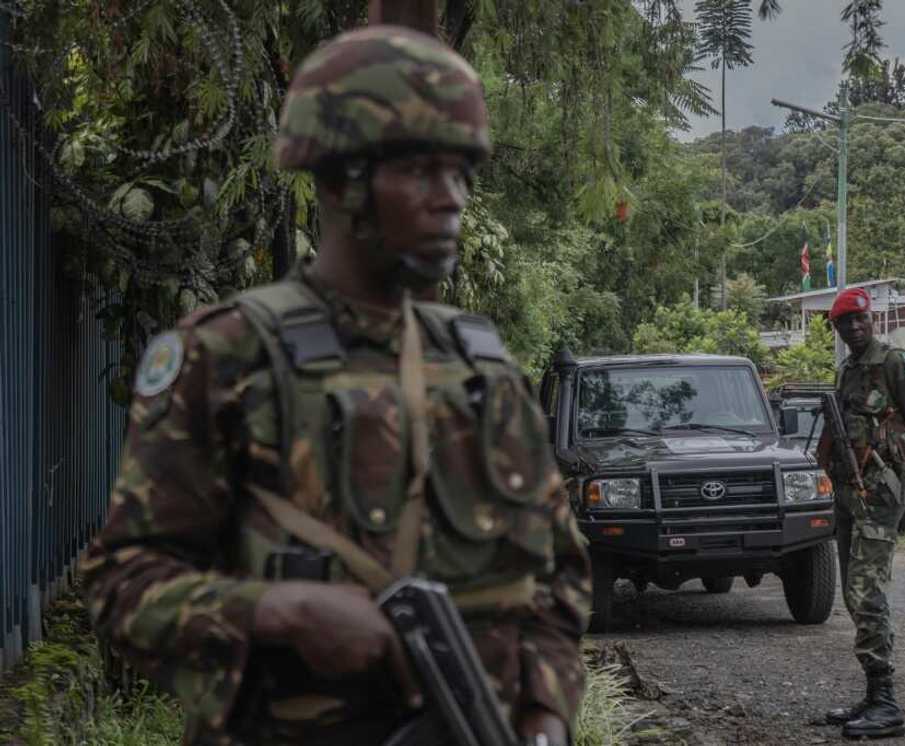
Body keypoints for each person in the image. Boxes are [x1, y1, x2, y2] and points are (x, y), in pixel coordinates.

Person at [82, 25, 590, 746]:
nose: (453, 201)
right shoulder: (224, 355)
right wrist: (277, 610)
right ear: (340, 178)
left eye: (462, 174)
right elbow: (120, 587)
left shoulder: (483, 366)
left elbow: (558, 576)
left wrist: (545, 717)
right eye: (422, 172)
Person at [819, 287, 905, 739]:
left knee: (866, 591)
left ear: (871, 321)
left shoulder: (895, 364)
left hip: (882, 495)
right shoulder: (847, 370)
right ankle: (872, 697)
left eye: (859, 320)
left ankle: (886, 703)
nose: (853, 328)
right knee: (853, 596)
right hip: (850, 495)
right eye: (844, 323)